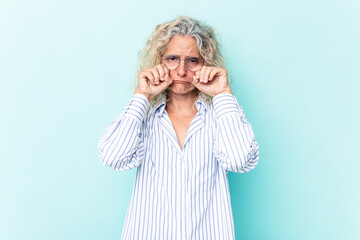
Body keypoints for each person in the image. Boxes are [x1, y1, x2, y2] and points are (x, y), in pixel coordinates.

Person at [98, 16, 259, 240]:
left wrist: (223, 94)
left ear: (205, 63)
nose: (181, 71)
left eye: (192, 60)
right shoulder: (144, 118)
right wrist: (142, 96)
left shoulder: (219, 117)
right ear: (159, 61)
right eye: (172, 59)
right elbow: (113, 157)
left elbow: (240, 160)